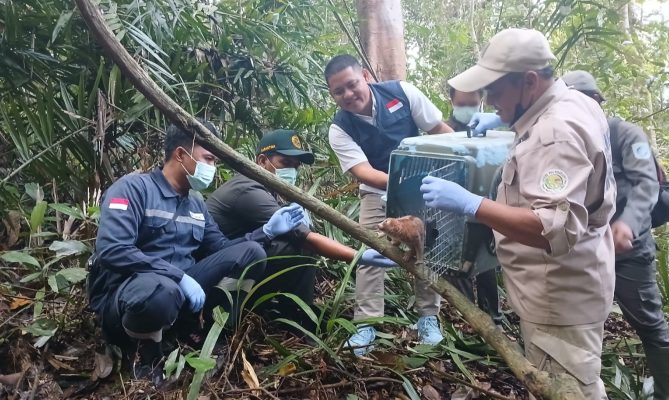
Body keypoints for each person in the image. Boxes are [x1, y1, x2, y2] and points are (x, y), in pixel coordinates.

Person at [420, 29, 616, 399]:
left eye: (494, 92)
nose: (487, 101)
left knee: (568, 389)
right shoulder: (572, 101)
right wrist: (510, 121)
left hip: (559, 295)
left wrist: (471, 204)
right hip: (573, 281)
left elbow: (550, 229)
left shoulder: (553, 131)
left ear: (529, 81)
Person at [87, 121, 306, 379]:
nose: (212, 168)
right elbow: (113, 249)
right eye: (209, 159)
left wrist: (265, 233)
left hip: (181, 294)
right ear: (181, 154)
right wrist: (177, 276)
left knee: (251, 253)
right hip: (131, 297)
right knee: (161, 291)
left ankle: (208, 332)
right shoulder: (134, 189)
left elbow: (223, 249)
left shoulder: (195, 203)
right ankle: (146, 354)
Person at [324, 54, 453, 355]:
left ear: (366, 76)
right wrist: (401, 180)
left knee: (427, 247)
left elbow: (439, 130)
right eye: (338, 91)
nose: (348, 95)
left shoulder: (402, 93)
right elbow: (363, 172)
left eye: (352, 85)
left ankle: (428, 318)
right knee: (370, 252)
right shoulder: (339, 127)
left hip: (422, 187)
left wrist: (463, 158)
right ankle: (366, 324)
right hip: (375, 192)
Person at [563, 70, 669, 400]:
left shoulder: (625, 133)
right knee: (578, 321)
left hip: (627, 244)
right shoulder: (565, 134)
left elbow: (647, 184)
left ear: (598, 103)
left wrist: (627, 223)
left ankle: (667, 393)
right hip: (584, 246)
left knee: (649, 321)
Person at [206, 129, 395, 330]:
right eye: (285, 163)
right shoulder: (248, 189)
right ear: (262, 161)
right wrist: (359, 256)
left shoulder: (268, 188)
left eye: (295, 166)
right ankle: (229, 317)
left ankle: (291, 312)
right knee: (299, 248)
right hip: (216, 269)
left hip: (234, 259)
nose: (291, 171)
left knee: (289, 247)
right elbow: (306, 238)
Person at [446, 86, 504, 327]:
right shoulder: (441, 131)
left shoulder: (492, 130)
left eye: (472, 103)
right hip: (453, 211)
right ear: (451, 102)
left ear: (482, 101)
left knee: (486, 264)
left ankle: (493, 317)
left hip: (486, 208)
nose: (467, 110)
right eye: (461, 104)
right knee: (458, 265)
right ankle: (468, 320)